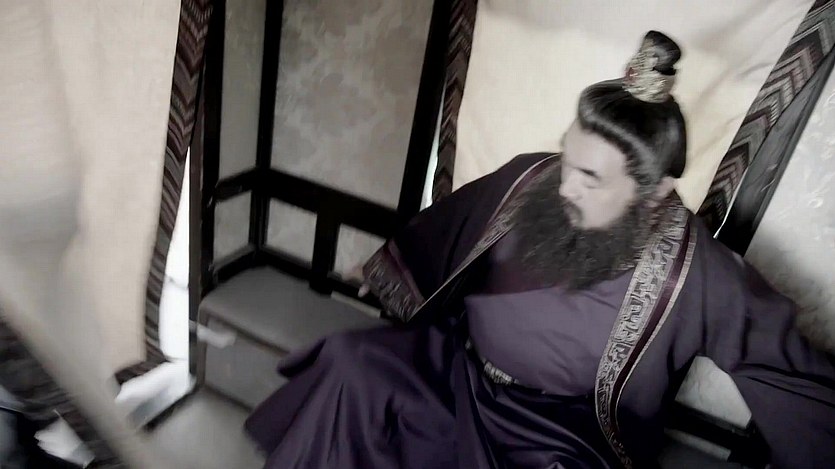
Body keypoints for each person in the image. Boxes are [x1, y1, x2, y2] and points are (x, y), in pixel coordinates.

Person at [245, 31, 835, 469]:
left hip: (560, 433)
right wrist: (386, 271)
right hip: (461, 375)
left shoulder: (694, 271)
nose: (565, 184)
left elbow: (788, 372)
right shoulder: (534, 178)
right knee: (354, 364)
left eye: (591, 178)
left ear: (653, 193)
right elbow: (450, 226)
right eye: (567, 157)